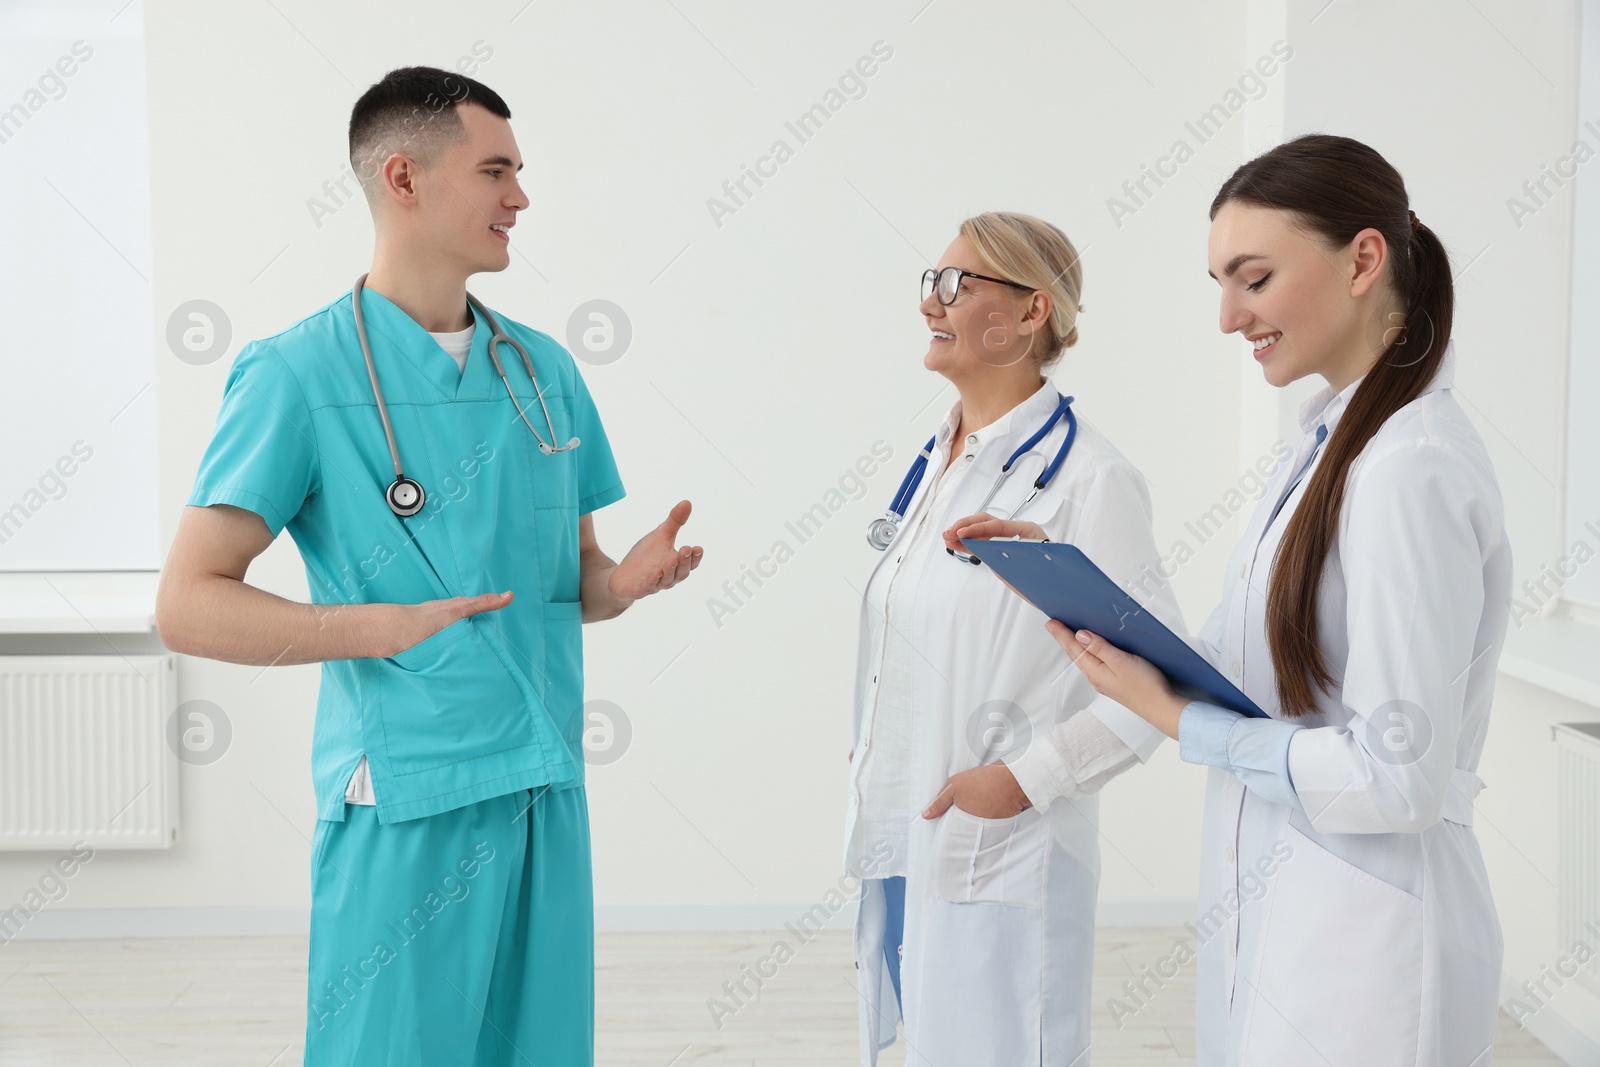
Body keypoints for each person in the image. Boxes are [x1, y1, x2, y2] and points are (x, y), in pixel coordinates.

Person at [155, 66, 702, 1066]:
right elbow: (189, 605)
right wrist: (368, 625)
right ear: (402, 178)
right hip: (405, 796)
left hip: (542, 784)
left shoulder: (542, 370)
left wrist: (621, 582)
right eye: (495, 171)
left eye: (520, 173)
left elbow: (570, 578)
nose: (520, 198)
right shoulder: (296, 374)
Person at [960, 134, 1511, 1066]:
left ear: (1364, 260)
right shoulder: (1326, 448)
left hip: (1372, 945)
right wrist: (1076, 580)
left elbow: (1399, 776)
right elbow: (1229, 667)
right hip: (1290, 913)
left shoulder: (1410, 468)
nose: (1227, 316)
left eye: (1252, 279)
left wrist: (1185, 724)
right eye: (1220, 282)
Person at [845, 211, 1182, 1066]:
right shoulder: (939, 459)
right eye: (932, 280)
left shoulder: (1090, 479)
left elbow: (1160, 689)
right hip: (913, 828)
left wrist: (1027, 779)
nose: (934, 301)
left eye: (959, 285)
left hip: (1003, 844)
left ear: (1034, 312)